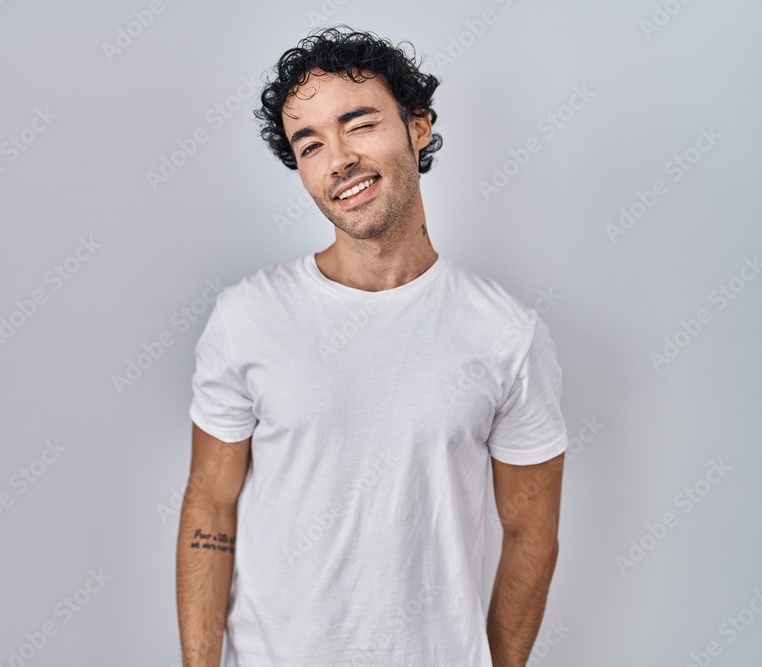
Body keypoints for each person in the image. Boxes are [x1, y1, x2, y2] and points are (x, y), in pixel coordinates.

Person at [176, 26, 567, 667]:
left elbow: (532, 537)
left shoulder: (507, 335)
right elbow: (210, 508)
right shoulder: (246, 317)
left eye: (358, 124)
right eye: (310, 144)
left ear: (418, 127)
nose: (338, 159)